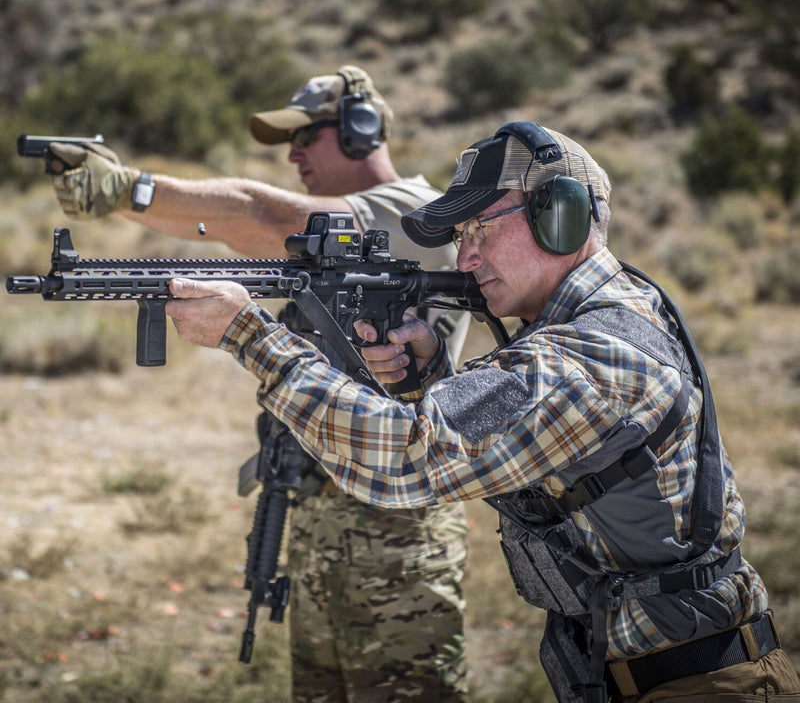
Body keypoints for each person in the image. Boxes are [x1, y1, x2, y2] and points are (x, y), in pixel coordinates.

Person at [164, 120, 800, 703]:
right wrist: (429, 375)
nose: (465, 258)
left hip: (707, 684)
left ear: (562, 218)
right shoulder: (584, 326)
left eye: (481, 230)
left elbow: (404, 460)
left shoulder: (603, 351)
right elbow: (519, 436)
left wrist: (249, 335)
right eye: (462, 237)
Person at [46, 66, 472, 703]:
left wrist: (126, 190)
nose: (293, 153)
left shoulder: (415, 213)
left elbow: (256, 212)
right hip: (324, 512)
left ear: (361, 131)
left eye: (306, 136)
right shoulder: (337, 236)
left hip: (396, 524)